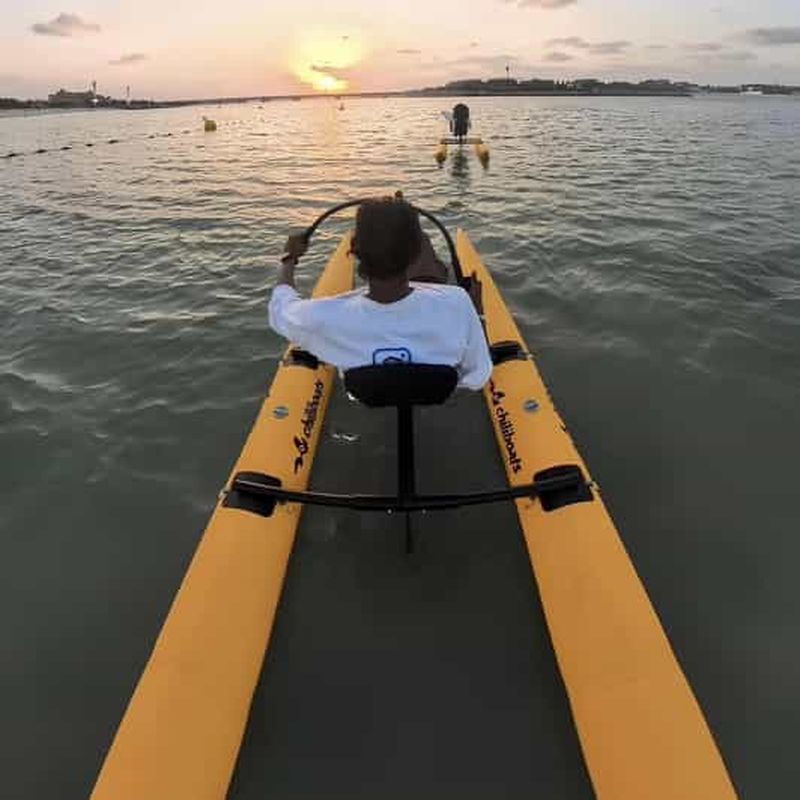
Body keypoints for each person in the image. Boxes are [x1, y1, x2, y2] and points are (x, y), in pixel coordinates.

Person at [268, 197, 493, 390]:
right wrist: (477, 316)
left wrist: (289, 258)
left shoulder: (322, 316)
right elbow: (478, 377)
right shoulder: (458, 301)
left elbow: (280, 308)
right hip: (435, 391)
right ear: (416, 253)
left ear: (355, 250)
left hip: (364, 394)